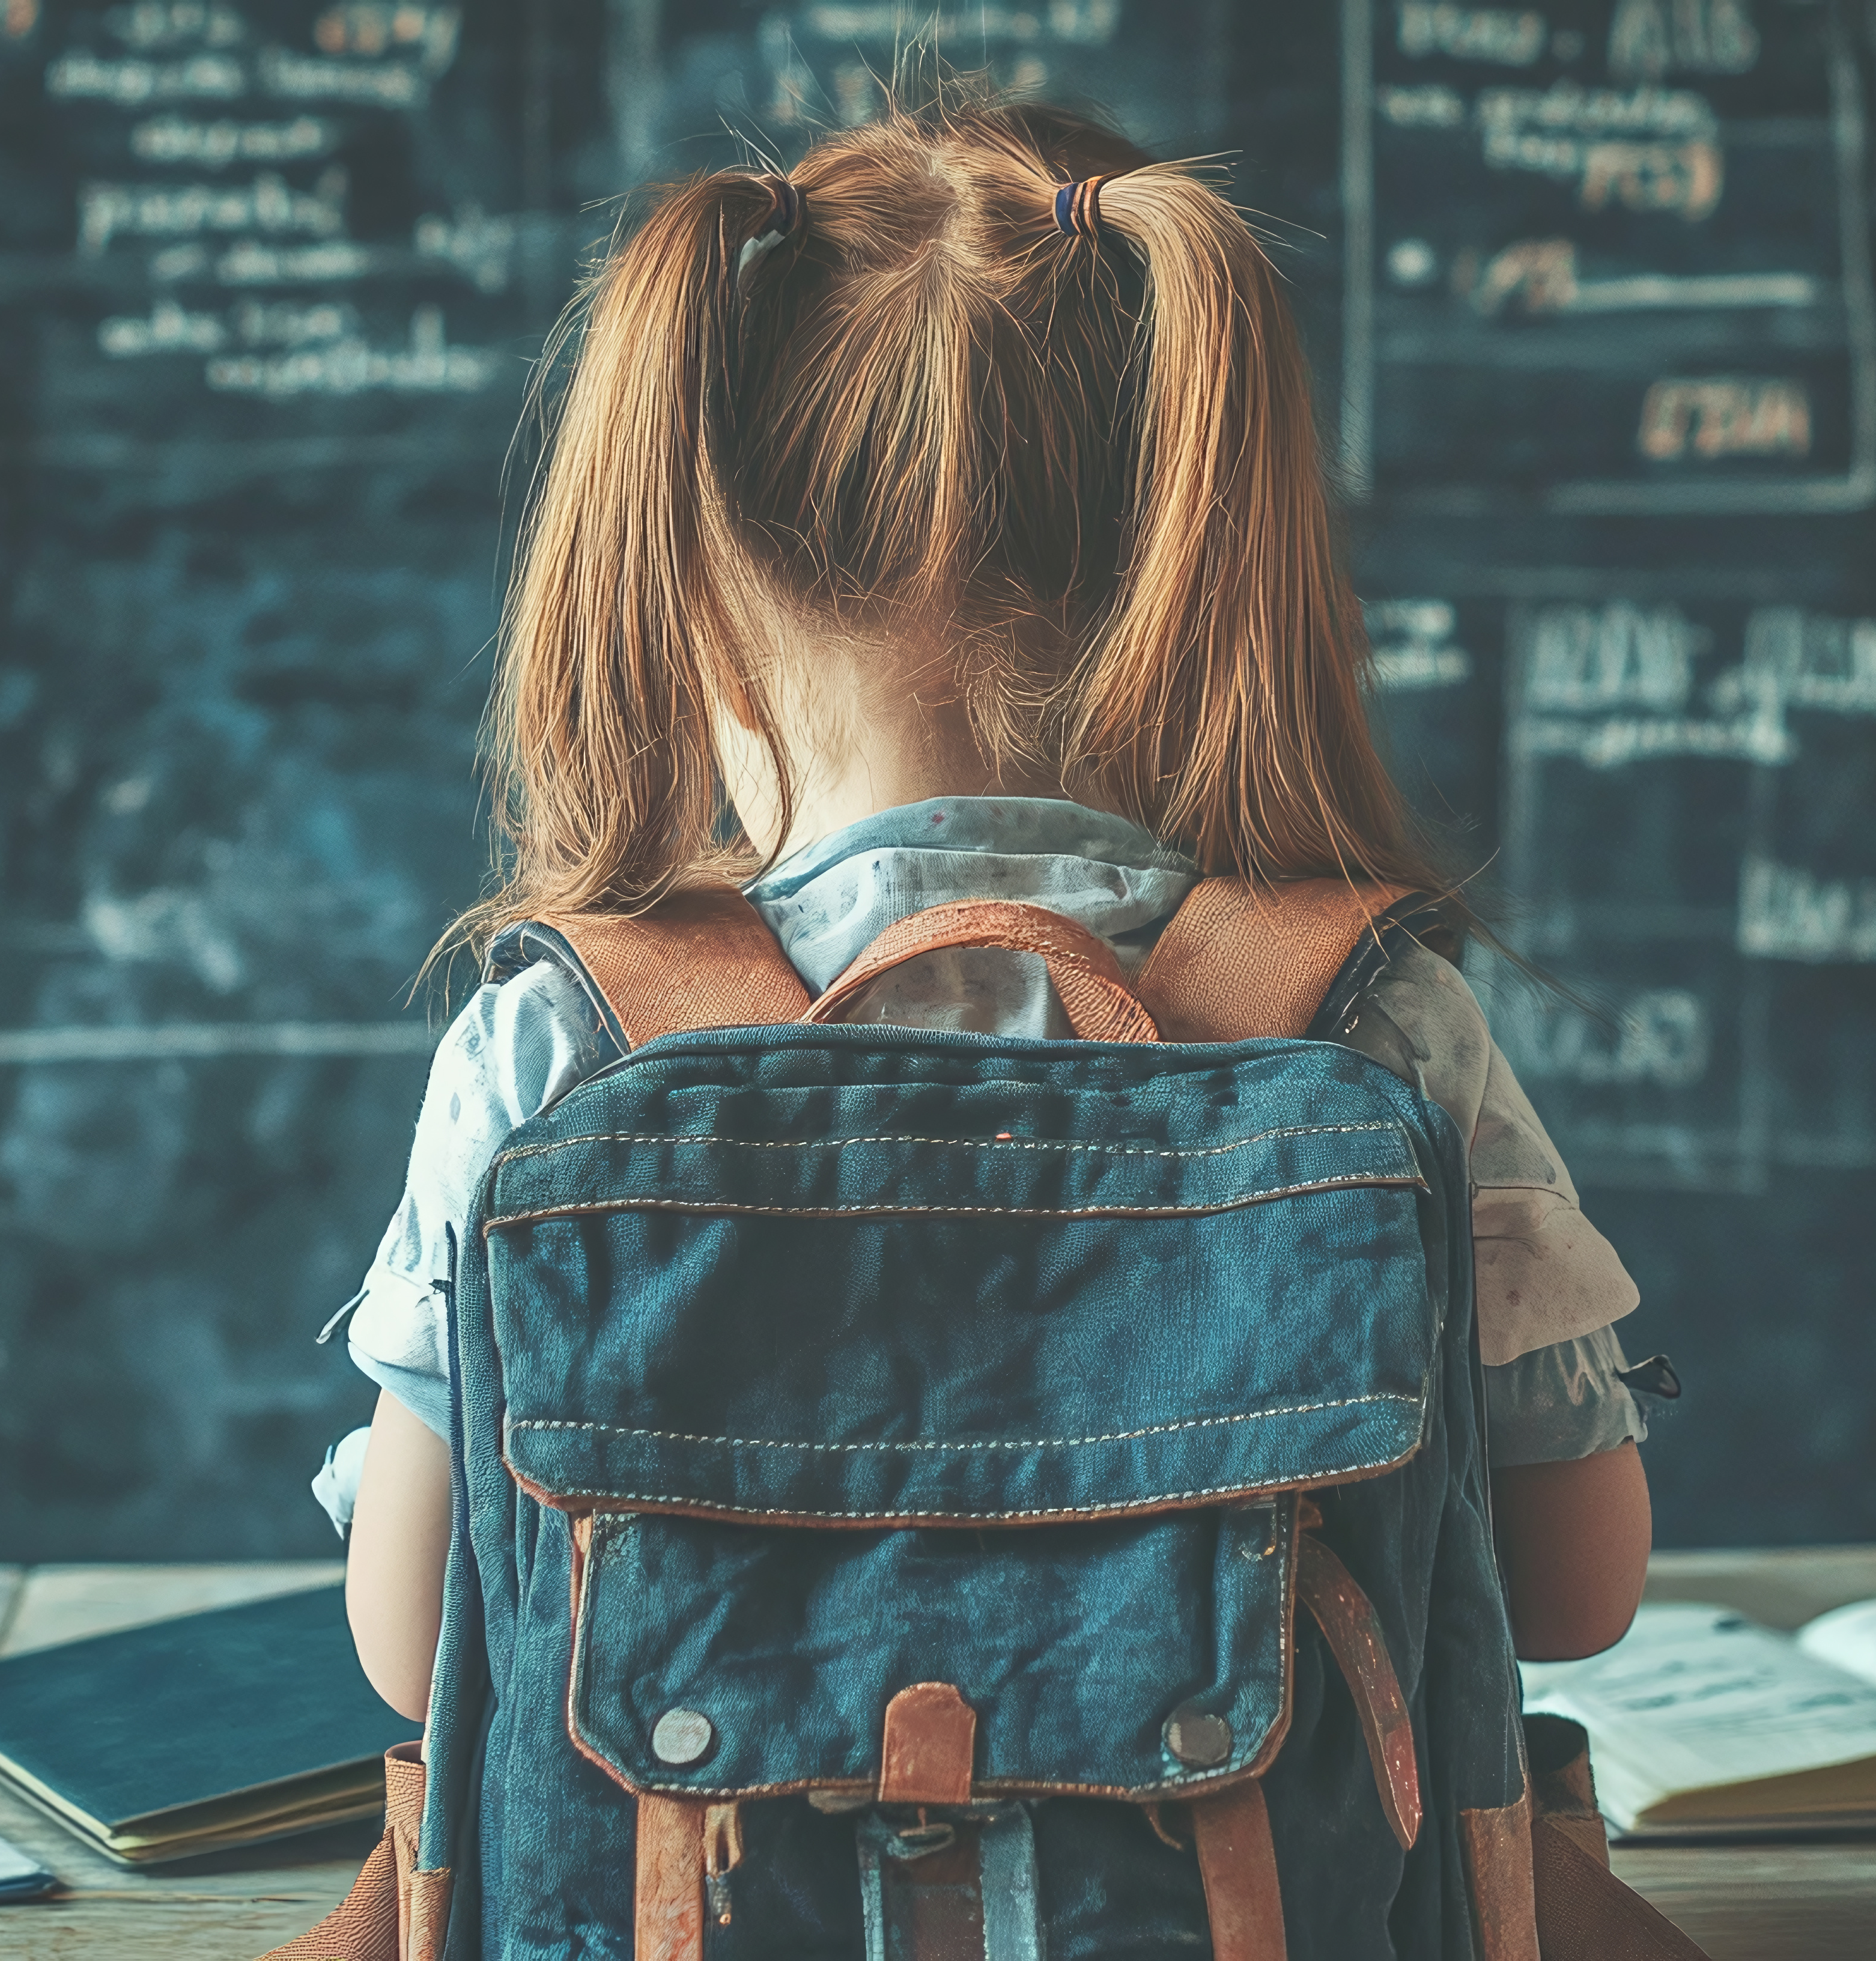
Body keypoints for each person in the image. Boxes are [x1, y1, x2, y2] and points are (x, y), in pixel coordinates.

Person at [311, 88, 1656, 1725]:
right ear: (1198, 576)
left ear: (705, 623)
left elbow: (409, 1652)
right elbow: (1580, 1597)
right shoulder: (1367, 1024)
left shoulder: (559, 1048)